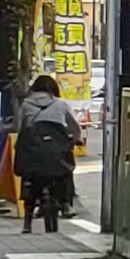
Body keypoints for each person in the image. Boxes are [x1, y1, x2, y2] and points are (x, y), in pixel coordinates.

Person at [11, 76, 77, 235]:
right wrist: (76, 138)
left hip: (33, 151)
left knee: (29, 177)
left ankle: (27, 222)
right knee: (66, 169)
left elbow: (19, 126)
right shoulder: (61, 104)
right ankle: (66, 204)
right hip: (55, 152)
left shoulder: (26, 104)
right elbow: (74, 126)